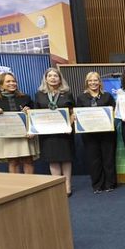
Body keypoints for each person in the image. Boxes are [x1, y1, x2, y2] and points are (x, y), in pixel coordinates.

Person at [35, 68, 75, 196]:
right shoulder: (39, 94)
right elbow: (35, 114)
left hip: (64, 132)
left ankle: (67, 185)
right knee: (53, 159)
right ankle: (58, 185)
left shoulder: (67, 93)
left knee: (66, 158)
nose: (53, 78)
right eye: (50, 76)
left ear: (60, 78)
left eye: (55, 76)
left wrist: (71, 123)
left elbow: (73, 111)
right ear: (45, 78)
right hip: (48, 133)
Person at [0, 72, 38, 174]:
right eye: (8, 81)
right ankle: (18, 187)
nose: (12, 83)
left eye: (13, 81)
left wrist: (29, 111)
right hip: (7, 136)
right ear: (1, 85)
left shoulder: (25, 97)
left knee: (28, 160)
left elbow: (34, 115)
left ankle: (31, 186)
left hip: (25, 134)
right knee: (13, 162)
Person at [76, 71, 116, 193]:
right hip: (89, 135)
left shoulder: (107, 96)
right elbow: (79, 115)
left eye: (95, 80)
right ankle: (97, 185)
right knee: (94, 160)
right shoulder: (81, 98)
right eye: (90, 81)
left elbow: (114, 112)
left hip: (107, 134)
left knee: (108, 159)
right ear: (87, 83)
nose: (93, 83)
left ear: (99, 82)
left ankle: (110, 184)